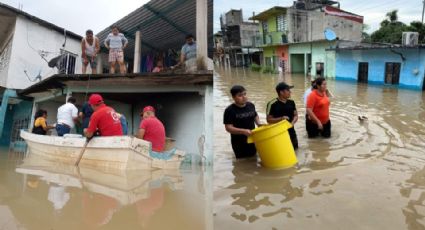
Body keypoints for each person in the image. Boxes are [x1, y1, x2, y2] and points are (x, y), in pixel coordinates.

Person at [223, 85, 263, 159]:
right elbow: (228, 128)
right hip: (238, 143)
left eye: (245, 94)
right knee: (242, 162)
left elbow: (255, 115)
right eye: (240, 95)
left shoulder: (251, 105)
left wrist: (259, 123)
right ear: (234, 97)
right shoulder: (229, 110)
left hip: (252, 138)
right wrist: (243, 131)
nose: (244, 97)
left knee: (254, 159)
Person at [266, 82, 299, 149]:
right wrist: (281, 118)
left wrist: (292, 123)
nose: (290, 92)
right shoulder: (272, 104)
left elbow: (296, 115)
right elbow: (268, 120)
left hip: (291, 131)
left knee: (295, 149)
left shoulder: (291, 102)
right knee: (282, 150)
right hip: (278, 133)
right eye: (288, 90)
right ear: (281, 92)